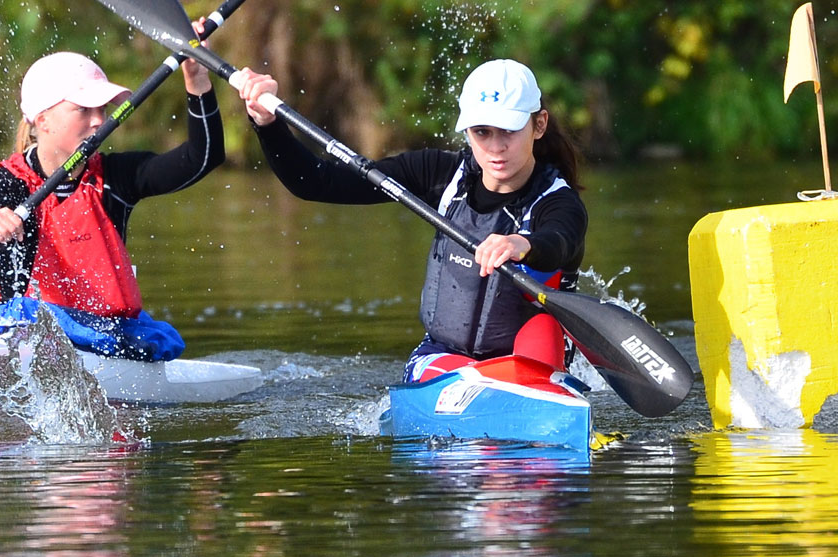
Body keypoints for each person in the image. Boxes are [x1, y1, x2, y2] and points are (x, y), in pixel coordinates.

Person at [233, 58, 589, 381]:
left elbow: (560, 240)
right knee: (464, 375)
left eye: (509, 131)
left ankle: (536, 395)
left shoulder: (557, 201)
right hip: (444, 359)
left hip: (529, 362)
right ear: (466, 131)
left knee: (543, 330)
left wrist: (520, 244)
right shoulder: (439, 173)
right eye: (482, 132)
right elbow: (315, 182)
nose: (495, 148)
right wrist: (267, 124)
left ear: (538, 125)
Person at [0, 49, 224, 360]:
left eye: (103, 109)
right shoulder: (9, 183)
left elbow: (202, 158)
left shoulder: (117, 177)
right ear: (43, 120)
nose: (99, 120)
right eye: (84, 110)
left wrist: (197, 81)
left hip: (108, 338)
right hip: (26, 336)